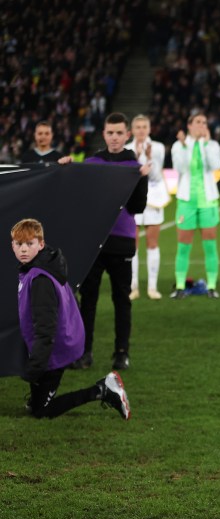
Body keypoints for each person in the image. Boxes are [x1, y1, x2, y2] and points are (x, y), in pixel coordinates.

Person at [12, 218, 130, 420]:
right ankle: (38, 397)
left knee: (42, 412)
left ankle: (103, 390)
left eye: (29, 244)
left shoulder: (40, 279)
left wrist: (35, 366)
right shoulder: (41, 266)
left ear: (41, 244)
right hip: (53, 343)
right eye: (18, 244)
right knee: (36, 402)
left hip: (56, 347)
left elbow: (46, 328)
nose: (23, 249)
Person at [62, 112, 149, 371]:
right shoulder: (92, 162)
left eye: (119, 133)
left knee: (121, 299)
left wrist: (142, 179)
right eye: (110, 133)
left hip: (121, 242)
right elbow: (76, 196)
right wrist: (65, 170)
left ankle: (121, 352)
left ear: (127, 135)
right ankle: (84, 352)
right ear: (104, 134)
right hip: (94, 241)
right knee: (88, 300)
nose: (114, 137)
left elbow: (138, 207)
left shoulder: (133, 166)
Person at [171, 112, 220, 299]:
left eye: (204, 122)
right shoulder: (179, 145)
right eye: (198, 122)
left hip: (208, 201)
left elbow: (216, 165)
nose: (202, 125)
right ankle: (179, 286)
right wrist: (185, 146)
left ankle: (211, 286)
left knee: (210, 246)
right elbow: (181, 168)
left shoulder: (213, 144)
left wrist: (207, 144)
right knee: (183, 246)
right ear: (189, 125)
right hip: (186, 201)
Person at [126, 114, 169, 301]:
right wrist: (135, 157)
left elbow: (157, 177)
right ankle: (133, 286)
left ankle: (152, 286)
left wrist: (151, 158)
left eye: (144, 127)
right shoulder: (127, 148)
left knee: (152, 243)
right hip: (133, 199)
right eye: (138, 127)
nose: (141, 130)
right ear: (132, 130)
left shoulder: (158, 147)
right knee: (132, 245)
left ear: (149, 129)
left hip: (153, 199)